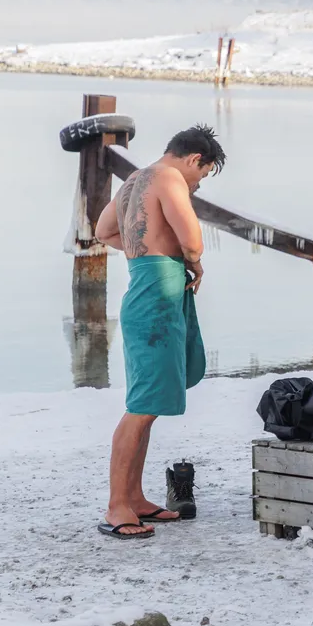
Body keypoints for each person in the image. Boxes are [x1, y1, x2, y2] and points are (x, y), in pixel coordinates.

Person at [92, 124, 227, 539]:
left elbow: (103, 231)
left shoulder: (135, 179)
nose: (197, 183)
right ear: (194, 159)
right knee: (140, 409)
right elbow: (193, 239)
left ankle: (134, 498)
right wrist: (193, 262)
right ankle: (117, 506)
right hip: (155, 303)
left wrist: (148, 250)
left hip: (144, 293)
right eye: (202, 174)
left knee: (147, 406)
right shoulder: (169, 178)